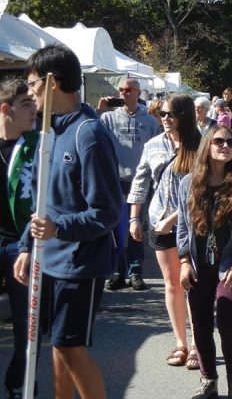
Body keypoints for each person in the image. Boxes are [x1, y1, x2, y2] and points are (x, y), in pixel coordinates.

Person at [14, 45, 121, 399]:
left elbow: (107, 211)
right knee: (59, 346)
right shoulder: (48, 133)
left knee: (70, 347)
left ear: (53, 82)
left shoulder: (88, 134)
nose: (30, 93)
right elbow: (42, 202)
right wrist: (28, 245)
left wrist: (59, 228)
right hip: (49, 260)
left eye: (33, 85)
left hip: (80, 263)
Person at [177, 125, 232, 399]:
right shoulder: (188, 184)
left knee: (227, 320)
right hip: (198, 265)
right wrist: (184, 261)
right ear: (207, 146)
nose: (226, 146)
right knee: (200, 324)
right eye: (219, 141)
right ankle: (209, 379)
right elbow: (182, 227)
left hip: (229, 264)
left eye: (230, 142)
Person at [127, 94, 202, 368]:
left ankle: (197, 344)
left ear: (184, 115)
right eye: (162, 114)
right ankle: (180, 343)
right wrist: (134, 218)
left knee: (191, 283)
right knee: (171, 283)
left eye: (171, 114)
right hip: (159, 221)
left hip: (192, 224)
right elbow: (140, 182)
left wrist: (173, 219)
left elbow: (202, 190)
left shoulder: (201, 145)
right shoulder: (153, 145)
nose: (165, 119)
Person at [97, 78, 162, 291]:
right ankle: (117, 271)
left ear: (138, 93)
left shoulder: (150, 121)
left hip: (140, 182)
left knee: (136, 228)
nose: (124, 93)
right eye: (121, 90)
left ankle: (135, 271)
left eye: (128, 90)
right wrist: (99, 111)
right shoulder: (108, 118)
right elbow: (93, 138)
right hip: (115, 180)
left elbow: (157, 150)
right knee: (117, 228)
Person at [1, 79, 37, 398]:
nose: (34, 109)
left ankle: (21, 384)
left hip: (21, 244)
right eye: (26, 104)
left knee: (27, 325)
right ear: (6, 109)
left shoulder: (37, 146)